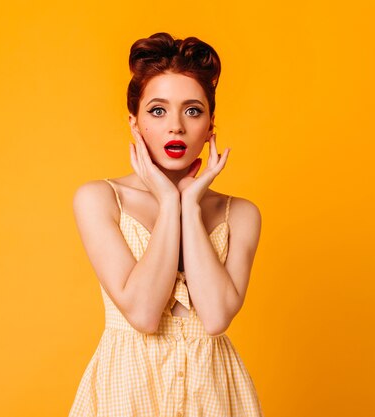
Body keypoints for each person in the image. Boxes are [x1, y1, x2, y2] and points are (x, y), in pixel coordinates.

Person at [68, 32, 263, 417]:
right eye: (157, 110)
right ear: (135, 122)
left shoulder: (239, 214)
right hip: (127, 389)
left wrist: (188, 205)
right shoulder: (100, 199)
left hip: (213, 390)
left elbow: (216, 317)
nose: (175, 126)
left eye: (192, 110)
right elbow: (142, 314)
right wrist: (168, 199)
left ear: (210, 127)